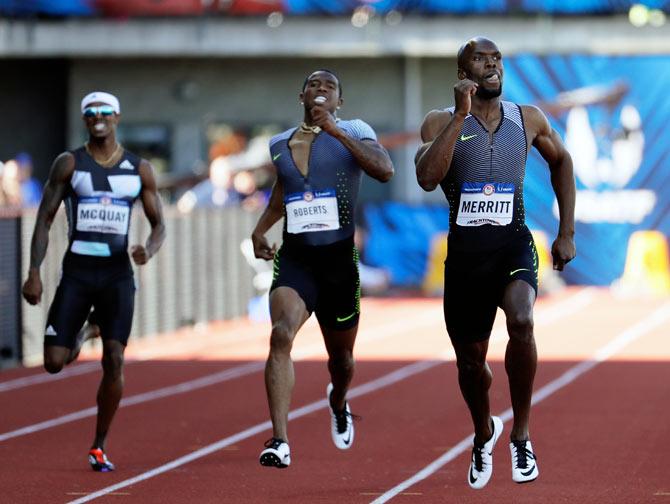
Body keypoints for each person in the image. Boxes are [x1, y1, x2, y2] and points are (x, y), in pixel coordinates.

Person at [415, 37, 576, 489]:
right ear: (462, 71)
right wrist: (461, 116)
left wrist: (566, 232)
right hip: (465, 258)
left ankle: (521, 434)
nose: (492, 66)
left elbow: (562, 162)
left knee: (522, 321)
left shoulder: (527, 119)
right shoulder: (440, 121)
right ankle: (484, 430)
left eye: (497, 58)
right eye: (481, 60)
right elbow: (428, 178)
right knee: (471, 363)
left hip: (513, 245)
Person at [251, 69, 394, 468]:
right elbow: (282, 195)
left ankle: (339, 398)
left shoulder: (355, 130)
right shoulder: (278, 143)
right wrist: (259, 230)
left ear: (339, 102)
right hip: (296, 259)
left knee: (342, 361)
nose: (320, 90)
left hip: (338, 264)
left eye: (329, 87)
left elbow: (384, 170)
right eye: (313, 85)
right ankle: (279, 440)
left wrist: (337, 132)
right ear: (301, 96)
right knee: (280, 335)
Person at [21, 91, 166, 472]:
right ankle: (87, 331)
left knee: (115, 360)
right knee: (54, 361)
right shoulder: (70, 164)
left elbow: (159, 225)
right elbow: (44, 219)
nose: (98, 117)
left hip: (118, 275)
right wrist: (34, 271)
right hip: (78, 273)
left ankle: (99, 445)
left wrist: (148, 250)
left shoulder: (140, 169)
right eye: (91, 112)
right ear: (85, 119)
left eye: (105, 112)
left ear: (117, 117)